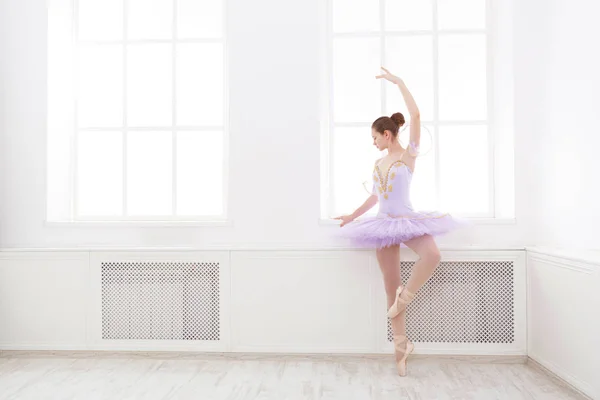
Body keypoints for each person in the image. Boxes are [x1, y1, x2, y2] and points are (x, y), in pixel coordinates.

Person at [335, 67, 466, 376]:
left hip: (406, 220)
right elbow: (376, 198)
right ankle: (400, 349)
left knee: (432, 255)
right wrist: (352, 215)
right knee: (389, 285)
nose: (373, 142)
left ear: (387, 134)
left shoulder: (408, 156)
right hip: (382, 224)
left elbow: (416, 116)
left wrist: (400, 83)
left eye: (374, 137)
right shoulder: (378, 163)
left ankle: (404, 299)